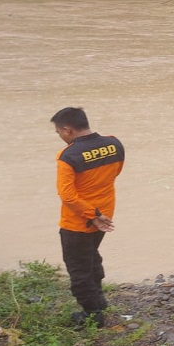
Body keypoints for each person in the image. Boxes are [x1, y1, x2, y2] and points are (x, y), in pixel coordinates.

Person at [51, 107, 125, 327]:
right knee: (91, 256)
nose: (60, 136)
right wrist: (99, 215)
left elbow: (67, 196)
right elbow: (114, 174)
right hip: (105, 215)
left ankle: (93, 316)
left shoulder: (68, 156)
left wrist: (92, 215)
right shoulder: (114, 144)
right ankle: (99, 300)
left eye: (58, 131)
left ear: (67, 129)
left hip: (78, 222)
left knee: (78, 270)